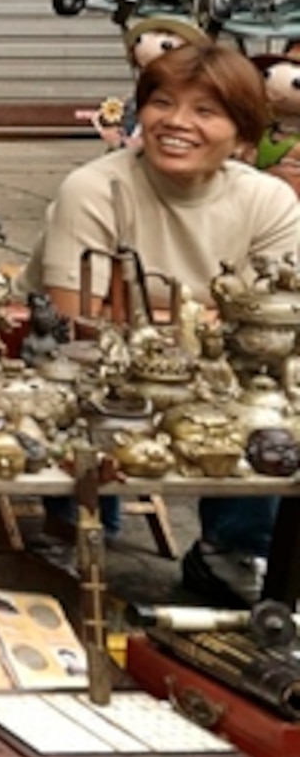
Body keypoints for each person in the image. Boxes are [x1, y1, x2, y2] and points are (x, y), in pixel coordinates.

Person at [36, 38, 300, 605]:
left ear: (244, 136)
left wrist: (142, 313)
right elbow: (76, 316)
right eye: (162, 103)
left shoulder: (269, 202)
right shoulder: (95, 188)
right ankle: (77, 531)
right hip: (104, 365)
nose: (176, 122)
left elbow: (276, 324)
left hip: (219, 371)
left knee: (267, 398)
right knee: (80, 379)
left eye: (206, 111)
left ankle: (232, 551)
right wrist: (210, 314)